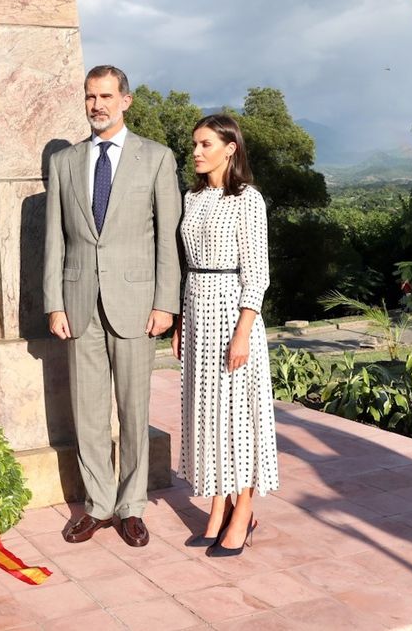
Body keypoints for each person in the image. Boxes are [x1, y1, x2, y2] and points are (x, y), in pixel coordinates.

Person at [43, 65, 182, 547]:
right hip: (79, 304)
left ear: (126, 100)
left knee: (133, 407)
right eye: (89, 97)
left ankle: (132, 506)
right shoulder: (64, 163)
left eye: (105, 96)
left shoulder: (157, 159)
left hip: (137, 304)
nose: (96, 105)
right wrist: (54, 302)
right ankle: (98, 505)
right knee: (88, 411)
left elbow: (169, 237)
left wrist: (167, 303)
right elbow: (55, 240)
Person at [172, 113, 280, 557]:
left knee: (240, 417)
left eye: (205, 144)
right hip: (198, 311)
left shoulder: (248, 199)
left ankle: (243, 511)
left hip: (233, 316)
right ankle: (218, 505)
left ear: (229, 148)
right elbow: (185, 267)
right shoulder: (192, 197)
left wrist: (242, 333)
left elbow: (257, 274)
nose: (196, 152)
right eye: (194, 145)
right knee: (209, 414)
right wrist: (181, 321)